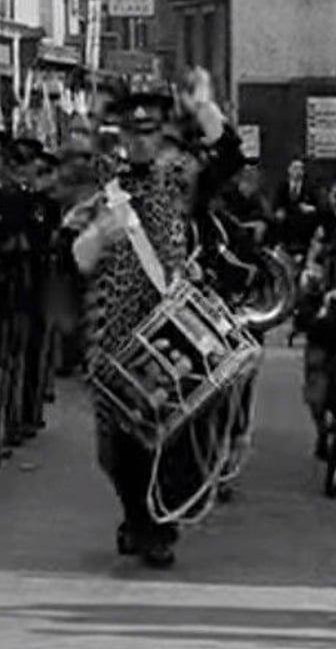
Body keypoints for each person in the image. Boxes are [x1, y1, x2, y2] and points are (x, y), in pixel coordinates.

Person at [67, 82, 243, 569]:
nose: (142, 141)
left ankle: (157, 527)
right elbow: (72, 255)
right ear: (121, 135)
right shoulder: (104, 184)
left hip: (171, 328)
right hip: (115, 332)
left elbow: (228, 158)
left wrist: (205, 104)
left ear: (162, 132)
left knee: (173, 432)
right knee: (119, 446)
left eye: (150, 131)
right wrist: (98, 234)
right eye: (133, 131)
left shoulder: (180, 176)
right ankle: (137, 517)